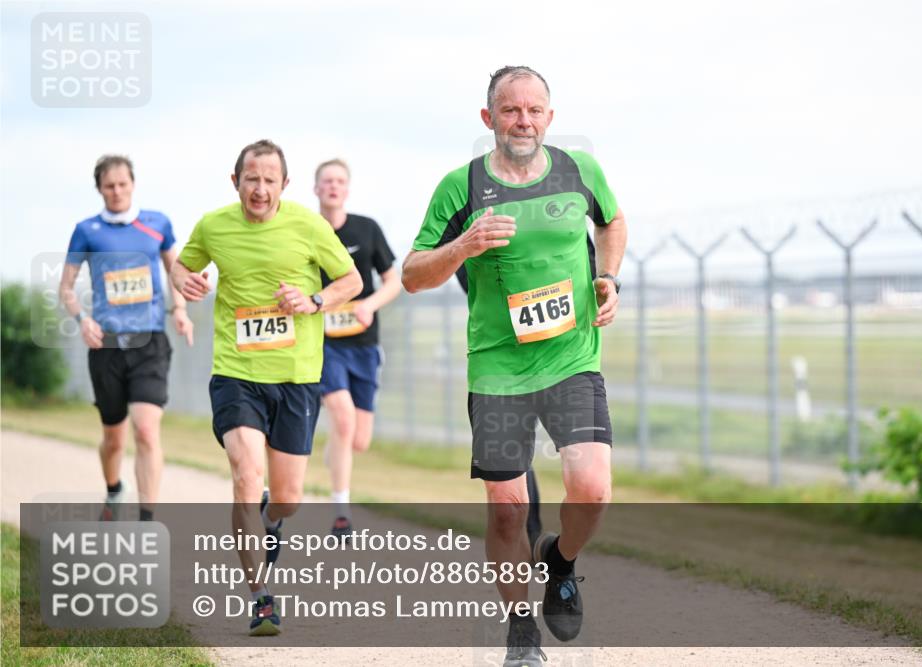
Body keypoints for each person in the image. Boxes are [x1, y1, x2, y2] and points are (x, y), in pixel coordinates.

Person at [402, 66, 627, 666]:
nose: (522, 121)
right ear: (489, 119)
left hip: (571, 357)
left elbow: (611, 220)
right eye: (510, 110)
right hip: (499, 368)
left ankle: (560, 562)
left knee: (593, 490)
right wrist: (464, 246)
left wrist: (607, 277)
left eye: (533, 110)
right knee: (507, 508)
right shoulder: (461, 187)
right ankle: (520, 629)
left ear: (549, 118)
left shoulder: (581, 171)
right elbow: (413, 275)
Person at [170, 139, 361, 636]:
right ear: (236, 182)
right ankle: (261, 599)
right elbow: (182, 263)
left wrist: (314, 299)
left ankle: (270, 521)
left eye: (269, 180)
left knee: (288, 500)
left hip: (296, 377)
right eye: (250, 179)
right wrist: (183, 280)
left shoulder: (307, 225)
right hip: (237, 372)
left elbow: (352, 280)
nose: (259, 189)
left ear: (284, 185)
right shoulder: (213, 225)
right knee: (246, 473)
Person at [59, 154, 194, 523]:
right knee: (115, 438)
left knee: (147, 430)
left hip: (149, 341)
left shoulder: (157, 224)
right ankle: (115, 487)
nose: (117, 191)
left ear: (133, 184)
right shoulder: (86, 230)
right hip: (106, 346)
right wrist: (82, 320)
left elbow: (176, 272)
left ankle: (147, 518)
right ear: (99, 189)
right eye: (109, 186)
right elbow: (66, 288)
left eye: (122, 184)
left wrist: (179, 310)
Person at [313, 158, 401, 538]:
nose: (333, 187)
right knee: (343, 419)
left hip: (364, 344)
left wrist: (368, 304)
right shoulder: (306, 231)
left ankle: (334, 455)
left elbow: (393, 282)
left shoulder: (366, 229)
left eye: (339, 181)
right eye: (326, 181)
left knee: (357, 440)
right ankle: (341, 513)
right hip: (323, 344)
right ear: (316, 188)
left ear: (346, 189)